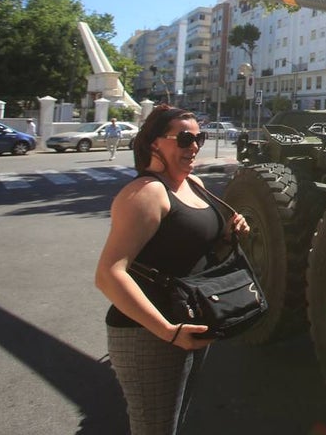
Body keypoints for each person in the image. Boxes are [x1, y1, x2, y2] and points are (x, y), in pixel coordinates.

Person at [94, 105, 250, 434]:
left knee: (174, 422)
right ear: (154, 144)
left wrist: (230, 230)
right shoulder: (146, 194)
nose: (194, 146)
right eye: (184, 138)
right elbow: (109, 274)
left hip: (191, 326)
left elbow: (196, 249)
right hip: (149, 334)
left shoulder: (192, 183)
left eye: (199, 138)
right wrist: (167, 331)